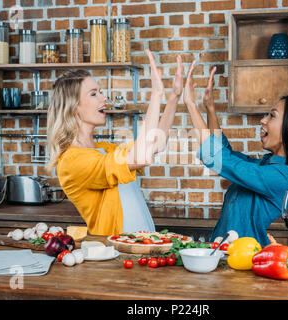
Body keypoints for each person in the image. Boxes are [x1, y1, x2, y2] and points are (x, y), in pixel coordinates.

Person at [183, 60, 288, 247]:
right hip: (225, 256)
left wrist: (190, 104)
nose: (262, 120)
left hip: (247, 262)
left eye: (272, 116)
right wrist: (210, 107)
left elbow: (218, 158)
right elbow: (224, 153)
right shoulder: (266, 165)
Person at [46, 50, 184, 236]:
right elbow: (141, 156)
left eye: (101, 92)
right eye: (94, 94)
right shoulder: (71, 162)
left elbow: (154, 144)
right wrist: (156, 94)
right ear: (73, 107)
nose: (104, 98)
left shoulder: (104, 149)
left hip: (141, 240)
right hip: (117, 250)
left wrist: (174, 96)